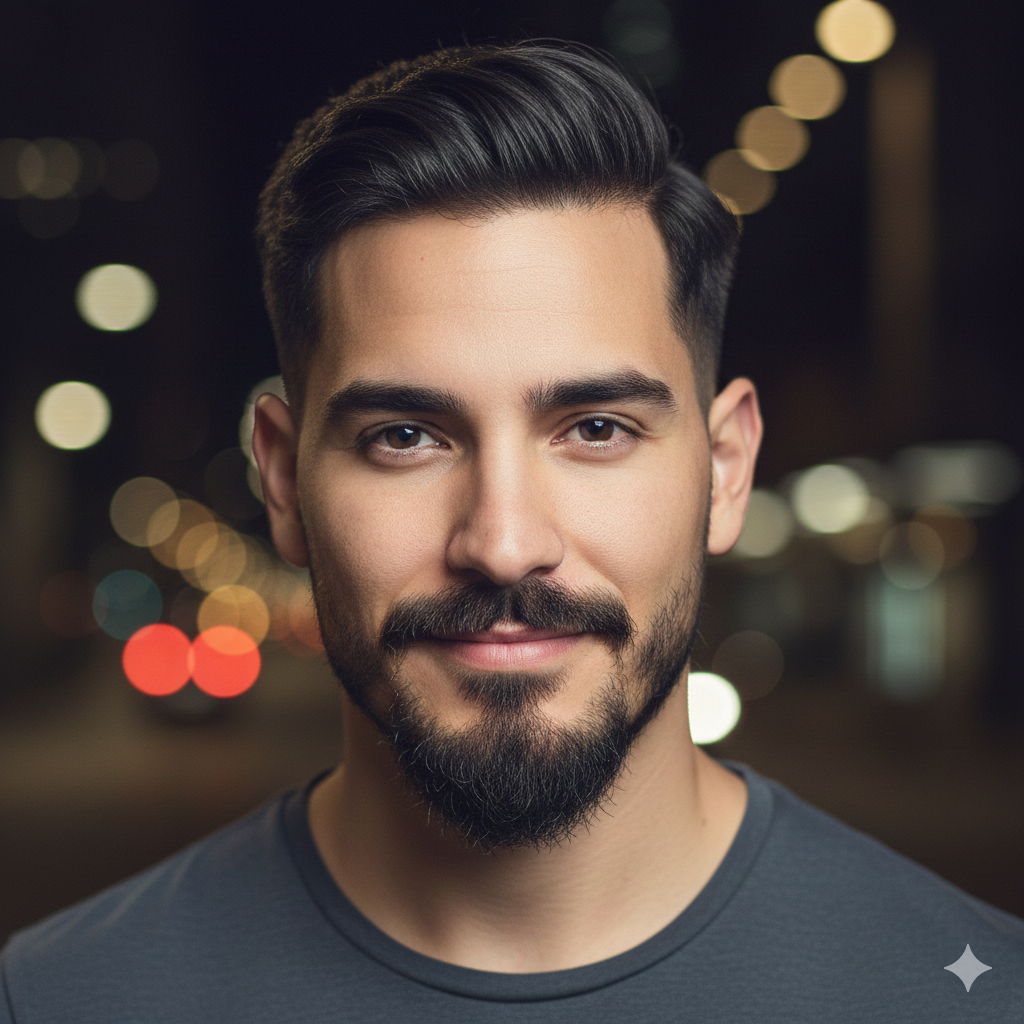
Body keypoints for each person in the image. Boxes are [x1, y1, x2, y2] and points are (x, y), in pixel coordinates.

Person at [1, 40, 1020, 1023]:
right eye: (404, 436)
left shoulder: (975, 992)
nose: (501, 541)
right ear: (281, 479)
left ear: (724, 471)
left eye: (594, 429)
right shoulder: (58, 999)